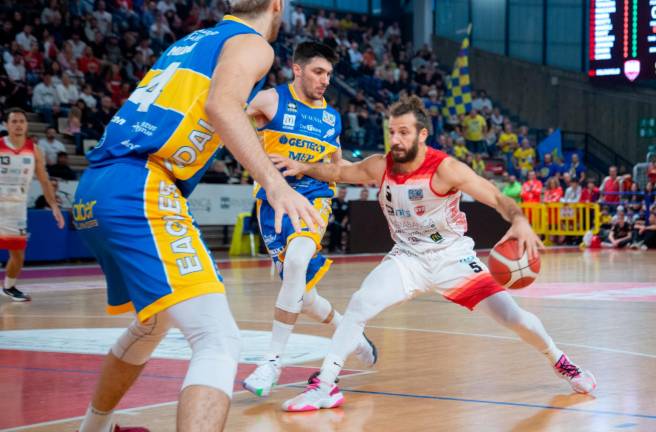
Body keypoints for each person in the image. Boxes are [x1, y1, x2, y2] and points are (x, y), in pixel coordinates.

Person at [72, 3, 325, 431]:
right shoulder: (252, 43)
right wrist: (276, 184)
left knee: (153, 324)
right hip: (142, 182)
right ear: (277, 4)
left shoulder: (190, 41)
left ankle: (94, 428)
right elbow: (221, 107)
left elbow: (211, 111)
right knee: (218, 338)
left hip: (96, 186)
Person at [272, 96, 596, 412]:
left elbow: (496, 197)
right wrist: (302, 166)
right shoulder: (379, 166)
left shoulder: (446, 169)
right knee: (359, 303)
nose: (395, 139)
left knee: (513, 318)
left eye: (404, 132)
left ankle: (560, 361)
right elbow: (339, 173)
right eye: (392, 132)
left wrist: (521, 219)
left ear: (422, 134)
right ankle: (325, 385)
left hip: (452, 258)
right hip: (408, 258)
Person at [242, 41, 376, 398]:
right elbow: (230, 121)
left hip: (313, 198)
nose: (325, 80)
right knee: (301, 291)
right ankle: (350, 331)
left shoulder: (331, 117)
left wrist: (369, 173)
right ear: (297, 69)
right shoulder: (271, 100)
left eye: (329, 74)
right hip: (272, 201)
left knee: (299, 260)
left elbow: (337, 165)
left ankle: (271, 361)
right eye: (319, 72)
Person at [1, 108, 65, 302]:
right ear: (6, 125)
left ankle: (9, 287)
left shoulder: (34, 150)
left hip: (17, 208)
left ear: (27, 125)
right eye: (14, 121)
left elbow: (44, 180)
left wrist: (54, 206)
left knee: (18, 253)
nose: (18, 124)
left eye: (22, 121)